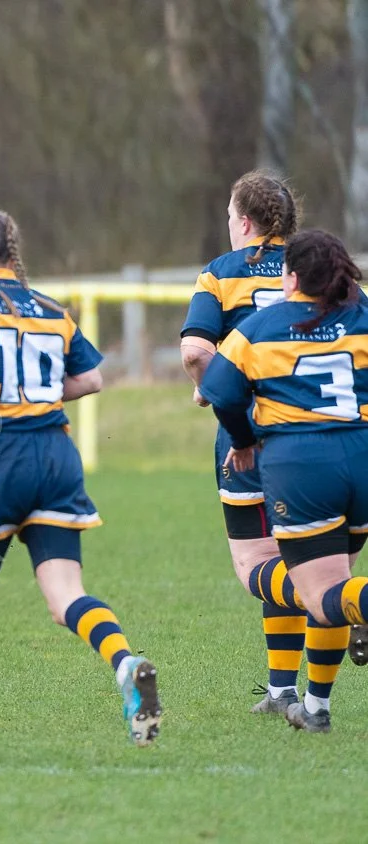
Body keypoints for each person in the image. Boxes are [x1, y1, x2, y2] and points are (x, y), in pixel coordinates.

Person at [0, 206, 161, 764]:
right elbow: (90, 377)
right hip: (56, 457)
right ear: (11, 252)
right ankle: (124, 665)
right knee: (66, 595)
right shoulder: (49, 309)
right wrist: (37, 396)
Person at [177, 172, 361, 716]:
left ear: (244, 221)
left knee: (263, 564)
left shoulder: (221, 274)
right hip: (350, 437)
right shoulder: (338, 283)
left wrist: (209, 389)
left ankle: (329, 640)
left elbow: (194, 351)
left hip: (261, 439)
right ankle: (301, 698)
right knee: (331, 568)